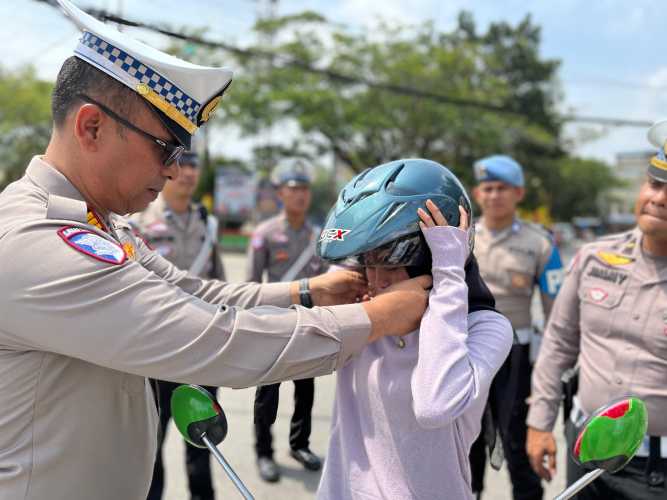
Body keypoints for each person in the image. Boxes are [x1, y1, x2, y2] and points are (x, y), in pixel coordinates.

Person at [0, 3, 431, 499]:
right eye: (166, 149)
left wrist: (309, 291)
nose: (174, 171)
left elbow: (196, 292)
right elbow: (213, 339)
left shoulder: (102, 227)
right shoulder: (38, 242)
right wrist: (377, 319)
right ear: (92, 127)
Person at [315, 159, 514, 500]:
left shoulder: (486, 328)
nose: (376, 279)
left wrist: (449, 275)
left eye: (390, 260)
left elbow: (435, 405)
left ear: (432, 256)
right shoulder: (363, 314)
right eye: (368, 261)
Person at [526, 119, 667, 499]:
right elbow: (557, 343)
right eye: (654, 183)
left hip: (657, 471)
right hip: (585, 454)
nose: (659, 198)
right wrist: (539, 423)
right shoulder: (594, 259)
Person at [468, 155, 564, 500]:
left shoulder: (541, 244)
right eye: (487, 188)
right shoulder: (460, 236)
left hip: (516, 357)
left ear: (519, 193)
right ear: (477, 193)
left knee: (517, 443)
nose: (494, 196)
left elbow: (559, 314)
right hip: (465, 351)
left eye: (502, 188)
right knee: (466, 439)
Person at [130, 150, 224, 500]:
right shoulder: (139, 222)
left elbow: (219, 283)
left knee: (203, 438)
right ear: (167, 170)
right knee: (152, 442)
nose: (188, 173)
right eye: (181, 164)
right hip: (158, 351)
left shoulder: (207, 221)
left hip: (203, 348)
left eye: (195, 166)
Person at [246, 164, 326, 482]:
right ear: (281, 194)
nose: (300, 195)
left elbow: (328, 281)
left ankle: (299, 444)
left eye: (305, 189)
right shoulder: (265, 233)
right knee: (267, 396)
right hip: (273, 326)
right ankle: (264, 452)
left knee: (305, 392)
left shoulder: (319, 236)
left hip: (309, 325)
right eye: (293, 189)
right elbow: (251, 282)